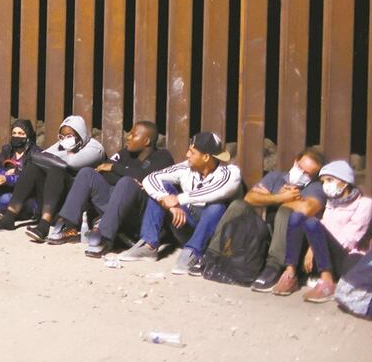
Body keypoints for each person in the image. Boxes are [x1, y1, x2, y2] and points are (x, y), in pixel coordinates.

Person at [118, 132, 241, 274]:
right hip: (187, 226)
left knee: (216, 206)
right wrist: (167, 201)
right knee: (161, 190)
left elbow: (216, 191)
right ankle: (149, 246)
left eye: (192, 152)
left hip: (213, 238)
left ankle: (194, 253)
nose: (187, 155)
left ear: (206, 157)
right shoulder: (186, 167)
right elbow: (151, 178)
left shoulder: (230, 173)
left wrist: (178, 199)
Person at [211, 149, 326, 292]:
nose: (301, 174)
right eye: (300, 168)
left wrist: (275, 200)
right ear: (296, 161)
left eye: (307, 173)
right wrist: (280, 197)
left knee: (285, 212)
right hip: (268, 234)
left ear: (314, 176)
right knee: (238, 205)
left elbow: (307, 208)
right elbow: (250, 198)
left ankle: (274, 267)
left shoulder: (316, 188)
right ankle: (212, 254)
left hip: (293, 244)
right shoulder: (276, 177)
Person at [47, 121, 172, 249]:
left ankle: (105, 237)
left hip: (138, 213)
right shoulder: (125, 153)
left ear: (146, 141)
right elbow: (102, 172)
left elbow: (146, 179)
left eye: (133, 135)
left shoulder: (163, 157)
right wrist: (128, 174)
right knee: (87, 173)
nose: (128, 137)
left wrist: (115, 168)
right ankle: (67, 225)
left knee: (126, 183)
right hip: (114, 204)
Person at [0, 115, 105, 237]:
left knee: (57, 169)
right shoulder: (63, 144)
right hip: (55, 194)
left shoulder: (95, 148)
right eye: (62, 136)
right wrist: (50, 157)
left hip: (76, 200)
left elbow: (70, 163)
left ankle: (44, 225)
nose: (65, 139)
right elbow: (36, 157)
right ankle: (10, 216)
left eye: (69, 136)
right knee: (33, 168)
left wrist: (50, 158)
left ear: (80, 134)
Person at [275, 160, 371, 301]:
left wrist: (315, 246)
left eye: (330, 180)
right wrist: (313, 247)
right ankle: (290, 273)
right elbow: (324, 226)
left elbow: (349, 239)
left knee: (312, 223)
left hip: (347, 255)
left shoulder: (365, 204)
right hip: (325, 254)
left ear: (345, 182)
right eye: (323, 181)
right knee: (297, 217)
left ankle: (327, 281)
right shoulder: (331, 202)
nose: (326, 185)